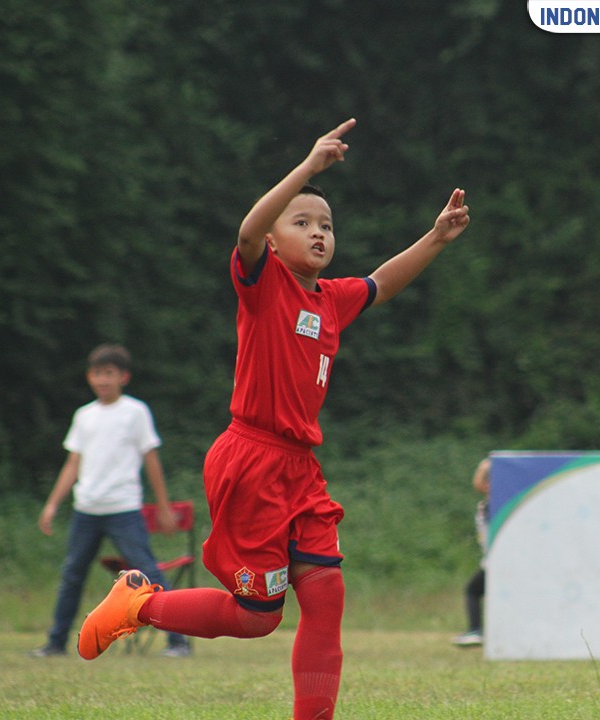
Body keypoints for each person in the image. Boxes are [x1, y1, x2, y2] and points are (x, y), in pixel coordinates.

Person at [76, 118, 469, 719]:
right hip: (251, 460)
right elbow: (247, 230)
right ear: (278, 237)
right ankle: (139, 605)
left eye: (326, 225)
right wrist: (308, 168)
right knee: (257, 618)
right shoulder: (263, 282)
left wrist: (435, 238)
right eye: (302, 222)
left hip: (300, 469)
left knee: (326, 593)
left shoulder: (328, 298)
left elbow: (381, 283)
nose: (317, 232)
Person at [30, 343, 192, 658]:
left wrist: (162, 506)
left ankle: (178, 641)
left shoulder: (135, 412)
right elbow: (73, 463)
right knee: (72, 574)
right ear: (89, 377)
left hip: (123, 509)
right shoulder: (84, 415)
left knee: (148, 572)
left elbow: (151, 460)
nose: (102, 380)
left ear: (123, 377)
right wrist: (52, 505)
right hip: (86, 510)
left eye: (109, 374)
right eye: (97, 374)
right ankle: (55, 643)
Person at [451, 457, 490, 648]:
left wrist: (486, 466)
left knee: (472, 590)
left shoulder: (492, 505)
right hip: (491, 560)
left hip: (494, 562)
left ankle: (476, 630)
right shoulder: (488, 505)